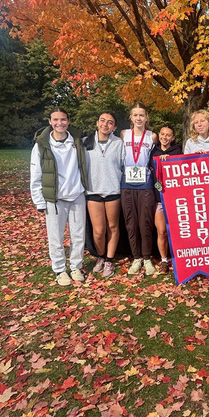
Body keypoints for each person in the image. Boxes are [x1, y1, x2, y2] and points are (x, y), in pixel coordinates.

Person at [30, 108, 88, 285]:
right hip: (54, 198)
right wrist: (39, 200)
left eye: (63, 119)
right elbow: (36, 173)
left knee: (78, 235)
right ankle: (60, 270)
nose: (59, 123)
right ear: (50, 121)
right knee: (56, 236)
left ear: (68, 121)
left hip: (77, 194)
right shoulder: (41, 144)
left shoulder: (77, 141)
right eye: (55, 120)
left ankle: (76, 266)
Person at [82, 112, 124, 277]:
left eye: (110, 122)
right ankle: (100, 256)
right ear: (97, 122)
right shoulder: (86, 142)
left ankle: (109, 259)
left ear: (114, 127)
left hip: (113, 190)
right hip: (93, 191)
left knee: (112, 226)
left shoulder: (119, 143)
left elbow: (123, 164)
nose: (105, 125)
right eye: (102, 121)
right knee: (99, 230)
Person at [120, 103, 158, 276]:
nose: (138, 118)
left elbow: (156, 157)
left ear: (146, 117)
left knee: (146, 223)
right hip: (126, 184)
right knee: (131, 223)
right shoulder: (124, 134)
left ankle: (147, 258)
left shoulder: (152, 136)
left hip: (145, 185)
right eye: (135, 115)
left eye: (141, 115)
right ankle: (136, 258)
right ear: (131, 117)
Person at [150, 125, 182, 274]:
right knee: (161, 231)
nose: (164, 137)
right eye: (162, 134)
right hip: (158, 198)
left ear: (173, 138)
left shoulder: (178, 151)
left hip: (175, 199)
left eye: (168, 135)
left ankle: (178, 258)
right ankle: (164, 260)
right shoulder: (153, 151)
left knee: (178, 231)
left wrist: (170, 161)